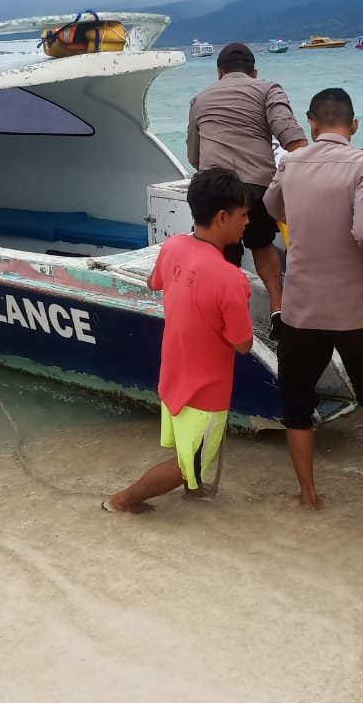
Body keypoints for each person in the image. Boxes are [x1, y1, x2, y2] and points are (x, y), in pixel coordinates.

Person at [263, 88, 363, 518]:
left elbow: (271, 204)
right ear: (353, 125)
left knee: (296, 400)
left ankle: (308, 495)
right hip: (354, 311)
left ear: (311, 123)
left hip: (301, 309)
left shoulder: (290, 163)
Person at [104, 168, 255, 514]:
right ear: (222, 217)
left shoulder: (172, 246)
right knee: (188, 463)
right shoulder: (231, 280)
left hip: (173, 375)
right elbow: (243, 344)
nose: (247, 222)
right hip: (205, 391)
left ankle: (195, 491)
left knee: (190, 450)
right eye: (243, 215)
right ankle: (123, 501)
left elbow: (155, 283)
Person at [188, 42, 307, 338]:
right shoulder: (268, 89)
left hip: (215, 189)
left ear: (219, 73)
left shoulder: (199, 100)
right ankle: (278, 308)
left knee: (220, 253)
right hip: (257, 188)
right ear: (254, 72)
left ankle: (227, 315)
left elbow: (193, 156)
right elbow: (293, 140)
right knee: (262, 244)